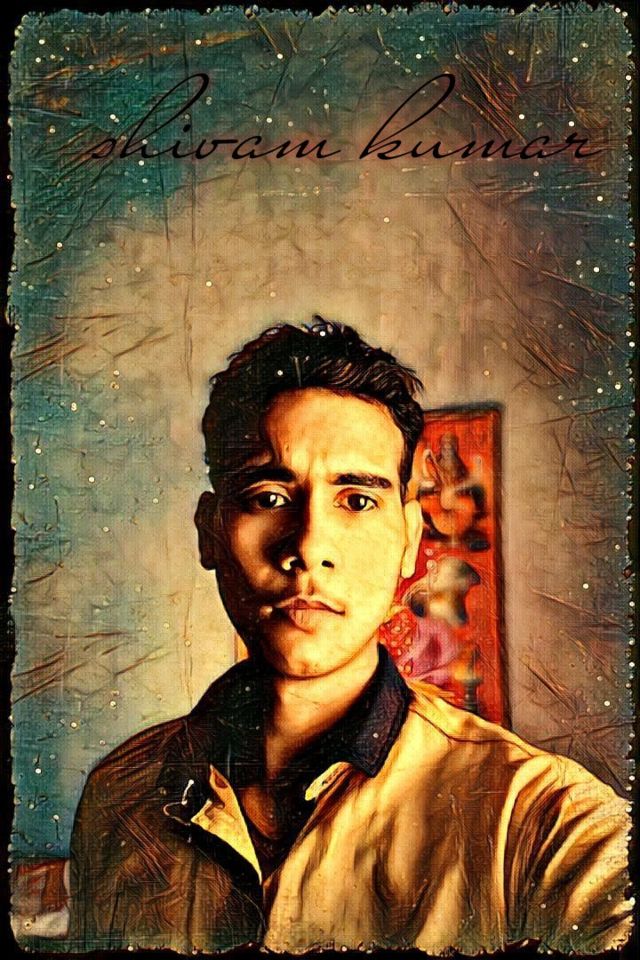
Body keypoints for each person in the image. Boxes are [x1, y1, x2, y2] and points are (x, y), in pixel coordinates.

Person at [69, 318, 631, 955]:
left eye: (358, 500)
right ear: (209, 532)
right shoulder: (118, 798)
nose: (310, 547)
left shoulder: (542, 823)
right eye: (268, 496)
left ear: (410, 540)